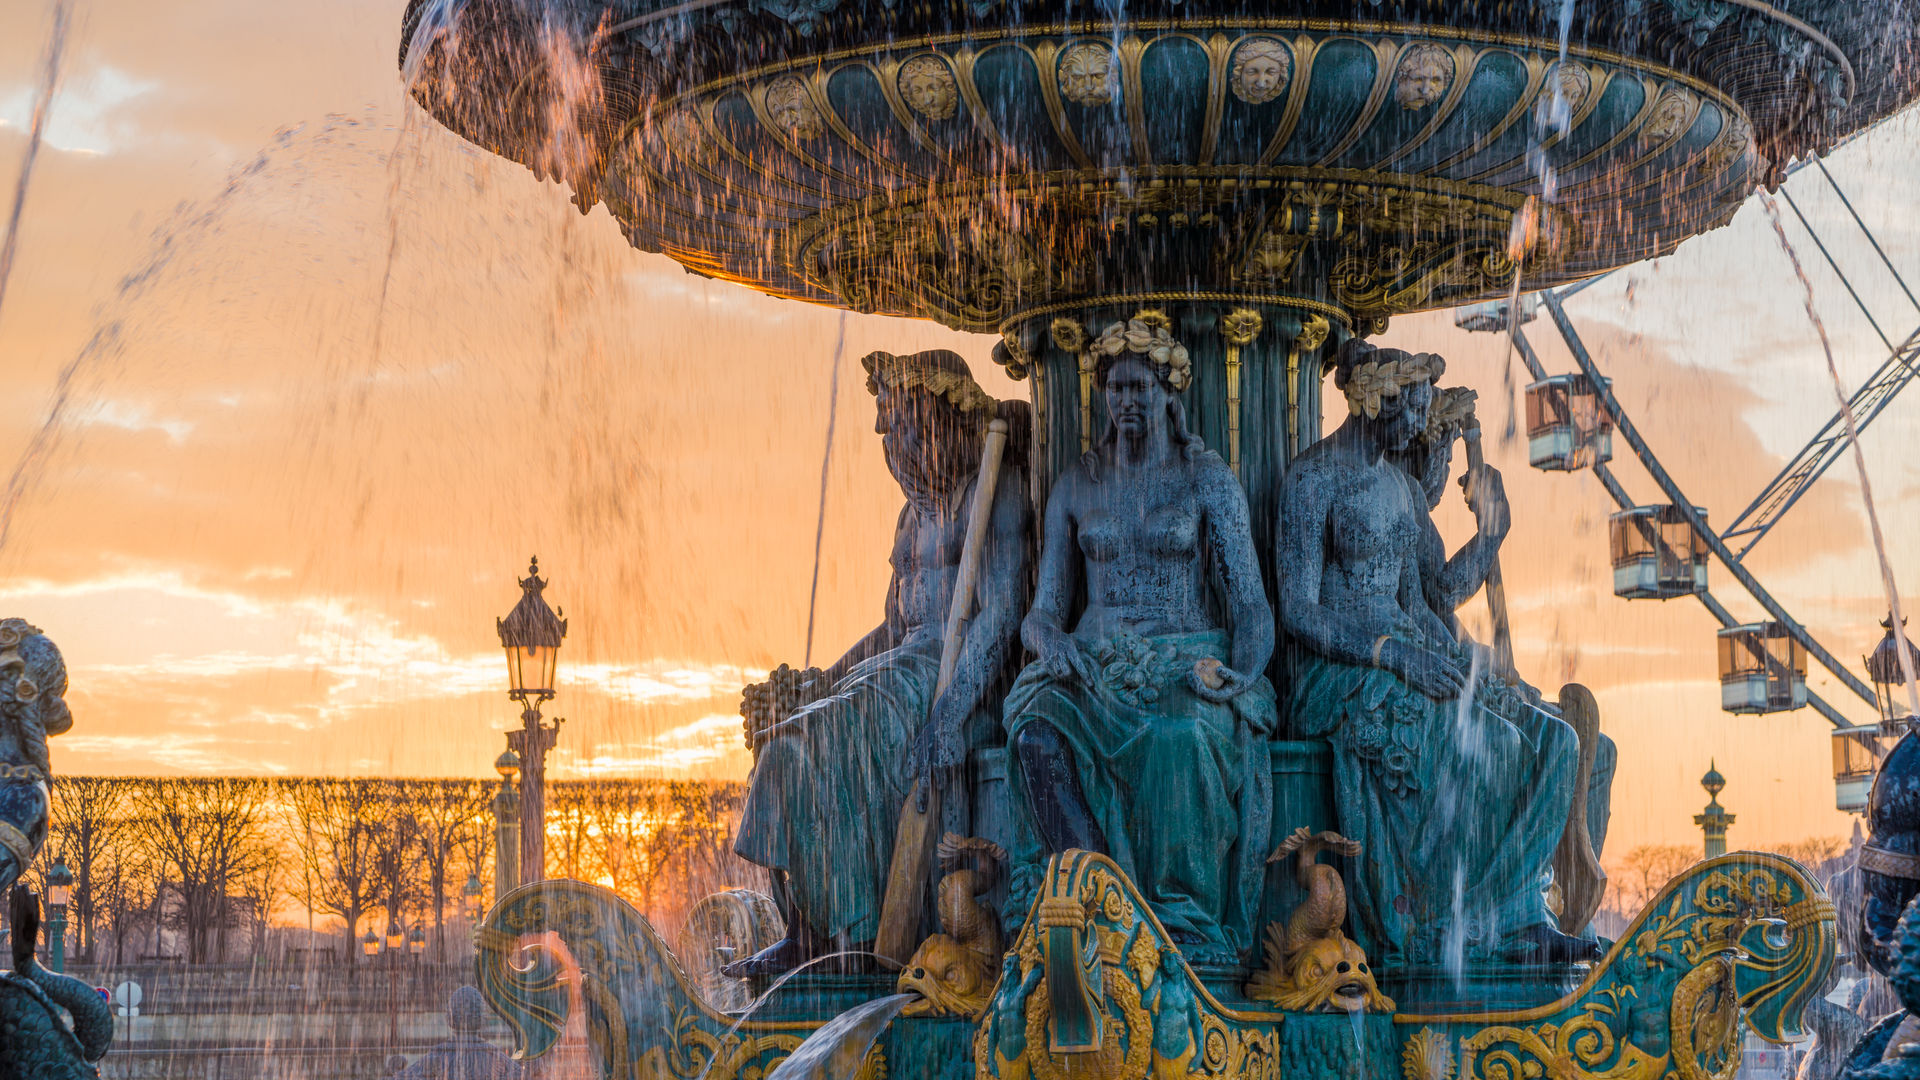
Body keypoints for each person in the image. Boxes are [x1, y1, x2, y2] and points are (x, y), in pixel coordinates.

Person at [1278, 340, 1597, 968]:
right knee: (1491, 746)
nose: (1421, 426)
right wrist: (1391, 653)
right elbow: (1299, 610)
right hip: (1346, 670)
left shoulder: (1398, 486)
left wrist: (1491, 535)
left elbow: (1435, 593)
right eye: (1412, 410)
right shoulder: (1312, 479)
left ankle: (1516, 912)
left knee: (1556, 742)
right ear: (1373, 400)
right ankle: (1449, 923)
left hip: (1413, 654)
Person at [727, 350, 1030, 976]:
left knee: (835, 731)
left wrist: (951, 711)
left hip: (958, 676)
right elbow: (890, 630)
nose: (892, 447)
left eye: (902, 426)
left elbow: (999, 619)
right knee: (788, 736)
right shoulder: (911, 517)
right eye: (887, 433)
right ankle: (811, 925)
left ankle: (855, 931)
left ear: (944, 420)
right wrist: (821, 680)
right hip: (900, 668)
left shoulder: (995, 493)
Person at [1004, 318, 1275, 959]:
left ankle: (1181, 916)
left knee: (1178, 741)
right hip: (1090, 665)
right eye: (1115, 389)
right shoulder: (1077, 484)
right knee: (1035, 730)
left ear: (1168, 393)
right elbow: (1041, 611)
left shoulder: (1207, 481)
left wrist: (1241, 671)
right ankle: (1096, 898)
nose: (1125, 401)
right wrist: (1051, 644)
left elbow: (1253, 608)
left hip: (1185, 660)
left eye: (1138, 389)